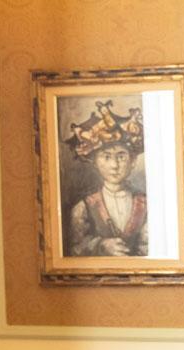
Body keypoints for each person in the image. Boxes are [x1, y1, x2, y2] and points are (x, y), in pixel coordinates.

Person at [64, 100, 148, 257]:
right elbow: (75, 248)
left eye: (121, 156)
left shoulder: (146, 204)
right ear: (94, 162)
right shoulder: (83, 207)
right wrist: (100, 247)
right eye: (106, 157)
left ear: (133, 161)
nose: (114, 165)